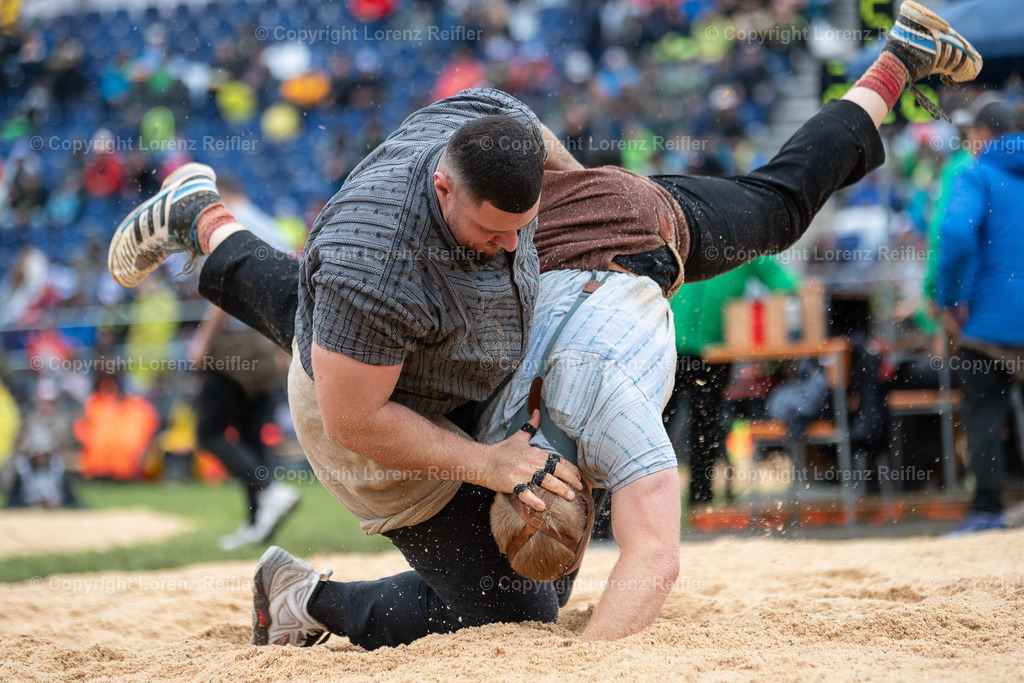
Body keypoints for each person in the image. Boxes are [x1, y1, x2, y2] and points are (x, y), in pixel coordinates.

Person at [107, 0, 981, 647]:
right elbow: (358, 413)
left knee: (773, 207)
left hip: (618, 222)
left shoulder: (503, 155)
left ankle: (895, 61)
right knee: (512, 590)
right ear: (444, 187)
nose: (509, 246)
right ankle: (303, 595)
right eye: (496, 232)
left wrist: (553, 207)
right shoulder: (397, 278)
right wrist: (491, 466)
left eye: (520, 229)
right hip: (508, 302)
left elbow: (648, 550)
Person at [936, 97, 1024, 534]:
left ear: (983, 135)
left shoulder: (976, 174)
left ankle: (988, 510)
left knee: (985, 416)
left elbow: (955, 232)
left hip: (987, 322)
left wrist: (950, 298)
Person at [665, 256, 800, 508]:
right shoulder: (689, 239)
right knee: (659, 425)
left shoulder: (742, 246)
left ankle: (700, 501)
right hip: (670, 348)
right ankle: (650, 502)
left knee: (704, 428)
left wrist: (759, 328)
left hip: (713, 353)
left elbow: (783, 283)